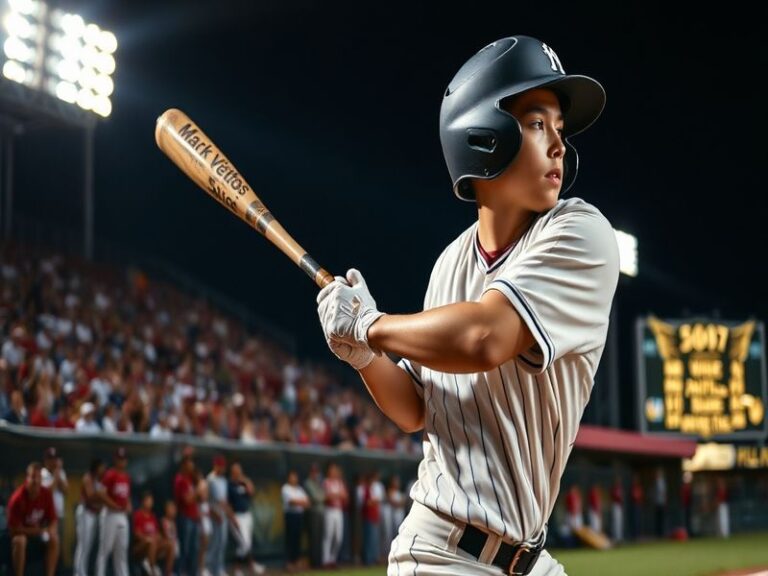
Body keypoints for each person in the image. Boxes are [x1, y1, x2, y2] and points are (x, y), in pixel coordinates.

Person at [316, 35, 618, 576]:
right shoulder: (450, 265)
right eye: (537, 123)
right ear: (482, 135)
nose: (558, 145)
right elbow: (415, 409)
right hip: (441, 555)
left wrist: (370, 326)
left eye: (560, 128)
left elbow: (484, 336)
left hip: (527, 557)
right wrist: (361, 354)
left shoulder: (580, 232)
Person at [7, 462, 59, 576]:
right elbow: (14, 529)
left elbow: (53, 519)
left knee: (54, 539)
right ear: (27, 478)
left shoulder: (46, 494)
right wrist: (39, 531)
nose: (36, 480)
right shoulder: (17, 498)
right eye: (33, 477)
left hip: (39, 535)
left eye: (38, 477)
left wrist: (51, 529)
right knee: (20, 541)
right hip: (21, 535)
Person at [96, 447, 131, 576]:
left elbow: (126, 495)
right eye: (119, 458)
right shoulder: (110, 474)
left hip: (122, 515)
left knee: (122, 551)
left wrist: (128, 505)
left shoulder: (126, 476)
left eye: (124, 459)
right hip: (110, 514)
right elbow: (101, 493)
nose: (122, 461)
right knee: (105, 550)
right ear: (115, 459)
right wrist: (114, 505)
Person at [228, 462, 266, 576]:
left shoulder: (243, 483)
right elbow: (227, 503)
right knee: (244, 543)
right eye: (236, 471)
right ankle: (237, 569)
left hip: (247, 515)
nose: (238, 473)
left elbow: (251, 491)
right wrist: (232, 517)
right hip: (237, 516)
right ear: (232, 472)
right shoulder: (229, 485)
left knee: (247, 543)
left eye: (239, 471)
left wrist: (245, 480)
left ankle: (250, 565)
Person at [74, 458, 106, 576]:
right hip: (85, 513)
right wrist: (102, 495)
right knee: (83, 545)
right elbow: (90, 496)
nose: (103, 469)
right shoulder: (88, 477)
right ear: (96, 467)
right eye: (102, 467)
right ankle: (78, 573)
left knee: (88, 546)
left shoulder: (98, 480)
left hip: (93, 514)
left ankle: (83, 572)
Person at [41, 446, 68, 573]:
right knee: (47, 546)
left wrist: (58, 474)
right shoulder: (42, 473)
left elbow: (66, 490)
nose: (53, 461)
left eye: (55, 458)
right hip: (45, 518)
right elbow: (47, 493)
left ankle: (57, 572)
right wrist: (56, 475)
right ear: (46, 460)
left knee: (58, 546)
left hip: (59, 515)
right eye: (51, 458)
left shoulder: (61, 473)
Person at [133, 491, 173, 576]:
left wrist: (158, 537)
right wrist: (147, 538)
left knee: (170, 544)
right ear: (143, 501)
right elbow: (136, 534)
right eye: (148, 500)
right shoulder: (138, 515)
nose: (150, 503)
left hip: (153, 544)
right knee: (151, 541)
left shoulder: (152, 516)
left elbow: (157, 532)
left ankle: (168, 572)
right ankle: (152, 570)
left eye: (151, 500)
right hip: (140, 546)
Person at [173, 454, 200, 576]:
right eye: (189, 463)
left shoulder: (190, 479)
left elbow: (198, 498)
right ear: (184, 465)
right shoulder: (180, 479)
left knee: (194, 549)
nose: (192, 466)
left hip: (193, 517)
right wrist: (197, 492)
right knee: (184, 548)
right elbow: (187, 500)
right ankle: (179, 572)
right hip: (184, 518)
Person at [281, 470, 310, 572]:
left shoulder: (299, 489)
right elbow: (291, 502)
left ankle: (296, 562)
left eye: (295, 477)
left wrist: (300, 502)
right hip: (290, 515)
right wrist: (301, 502)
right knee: (290, 539)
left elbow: (307, 502)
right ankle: (288, 563)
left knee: (298, 540)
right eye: (292, 476)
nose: (294, 478)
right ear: (288, 478)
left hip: (299, 516)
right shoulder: (285, 488)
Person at [206, 454, 229, 576]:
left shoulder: (223, 480)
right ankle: (209, 569)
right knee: (213, 544)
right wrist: (215, 514)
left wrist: (227, 514)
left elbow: (224, 501)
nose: (223, 468)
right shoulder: (210, 479)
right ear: (215, 466)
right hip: (213, 516)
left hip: (222, 515)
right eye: (220, 466)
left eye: (223, 466)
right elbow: (209, 501)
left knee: (222, 543)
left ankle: (219, 569)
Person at [322, 462, 348, 568]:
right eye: (331, 469)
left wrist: (335, 495)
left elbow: (345, 496)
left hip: (338, 511)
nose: (333, 472)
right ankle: (325, 560)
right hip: (329, 510)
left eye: (335, 470)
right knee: (328, 535)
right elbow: (327, 497)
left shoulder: (339, 482)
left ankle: (332, 559)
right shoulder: (326, 482)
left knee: (338, 537)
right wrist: (338, 495)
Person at [303, 463, 325, 568]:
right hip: (313, 512)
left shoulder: (318, 483)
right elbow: (316, 497)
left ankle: (319, 561)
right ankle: (314, 562)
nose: (315, 474)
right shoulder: (308, 483)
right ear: (310, 472)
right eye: (314, 471)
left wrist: (322, 496)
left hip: (321, 512)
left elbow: (324, 495)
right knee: (314, 538)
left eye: (317, 472)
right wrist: (322, 496)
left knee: (320, 537)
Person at [610, 475, 624, 543]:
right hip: (615, 505)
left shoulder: (620, 488)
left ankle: (619, 537)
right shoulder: (614, 488)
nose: (618, 482)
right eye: (617, 480)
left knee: (619, 522)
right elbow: (614, 496)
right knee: (615, 522)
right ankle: (615, 537)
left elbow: (621, 497)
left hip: (619, 505)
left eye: (619, 480)